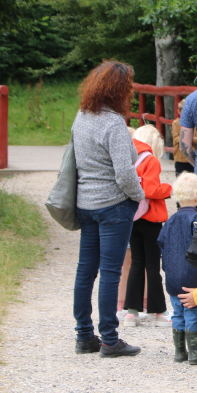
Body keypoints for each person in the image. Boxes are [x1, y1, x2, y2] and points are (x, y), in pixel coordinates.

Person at [71, 61, 145, 358]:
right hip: (113, 206)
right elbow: (124, 174)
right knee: (111, 272)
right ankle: (110, 340)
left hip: (85, 204)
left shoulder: (82, 116)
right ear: (119, 90)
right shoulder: (114, 123)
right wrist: (139, 195)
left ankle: (84, 335)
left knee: (85, 271)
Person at [121, 125, 172, 327]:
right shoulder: (150, 160)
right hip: (150, 219)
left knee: (136, 264)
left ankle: (131, 312)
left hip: (132, 217)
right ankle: (159, 311)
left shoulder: (129, 158)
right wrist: (168, 189)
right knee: (152, 265)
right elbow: (151, 189)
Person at [159, 172, 197, 363]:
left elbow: (161, 242)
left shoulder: (170, 221)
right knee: (193, 311)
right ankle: (195, 352)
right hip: (193, 276)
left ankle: (180, 351)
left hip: (173, 276)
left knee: (177, 313)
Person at [173, 98, 197, 175]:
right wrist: (189, 139)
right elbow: (176, 139)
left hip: (193, 157)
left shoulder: (195, 123)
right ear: (178, 111)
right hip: (180, 158)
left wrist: (185, 138)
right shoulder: (176, 123)